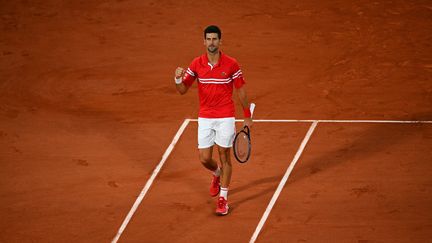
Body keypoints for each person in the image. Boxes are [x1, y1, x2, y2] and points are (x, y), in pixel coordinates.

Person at [174, 25, 253, 216]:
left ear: (220, 41)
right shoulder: (196, 64)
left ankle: (223, 199)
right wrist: (177, 79)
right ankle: (216, 173)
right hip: (206, 116)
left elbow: (240, 89)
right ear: (204, 41)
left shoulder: (231, 64)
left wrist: (247, 116)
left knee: (225, 156)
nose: (211, 42)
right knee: (204, 158)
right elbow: (183, 90)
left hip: (225, 115)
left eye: (214, 39)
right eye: (208, 39)